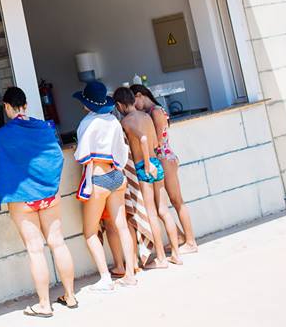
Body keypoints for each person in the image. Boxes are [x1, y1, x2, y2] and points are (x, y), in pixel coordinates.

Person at [0, 87, 77, 317]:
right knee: (58, 243)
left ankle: (44, 304)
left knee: (35, 250)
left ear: (7, 107)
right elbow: (57, 157)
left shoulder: (2, 135)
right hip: (48, 195)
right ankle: (70, 296)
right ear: (26, 105)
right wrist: (50, 186)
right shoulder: (45, 128)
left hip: (22, 200)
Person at [73, 80, 138, 291]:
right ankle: (130, 273)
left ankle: (105, 278)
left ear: (87, 104)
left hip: (98, 179)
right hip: (116, 175)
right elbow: (122, 151)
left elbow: (82, 155)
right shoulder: (113, 121)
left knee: (90, 232)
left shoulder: (86, 124)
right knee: (121, 226)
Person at [113, 86, 183, 267]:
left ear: (120, 105)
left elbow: (143, 139)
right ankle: (176, 253)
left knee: (151, 212)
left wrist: (145, 162)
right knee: (164, 210)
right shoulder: (147, 116)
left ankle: (160, 257)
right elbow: (151, 140)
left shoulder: (126, 122)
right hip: (157, 163)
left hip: (144, 167)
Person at [131, 84, 198, 254]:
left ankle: (190, 241)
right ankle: (180, 237)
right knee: (160, 205)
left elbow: (159, 141)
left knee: (176, 200)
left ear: (139, 95)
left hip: (164, 158)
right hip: (160, 159)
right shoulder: (148, 113)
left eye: (134, 101)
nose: (133, 106)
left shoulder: (155, 111)